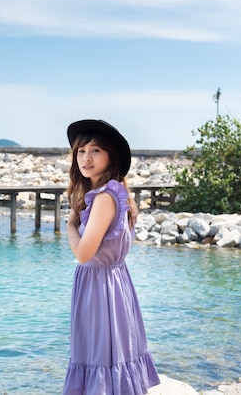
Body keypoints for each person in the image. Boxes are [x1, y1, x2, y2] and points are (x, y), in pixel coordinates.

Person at [63, 119, 160, 395]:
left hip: (100, 287)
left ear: (110, 156)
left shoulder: (105, 198)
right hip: (111, 284)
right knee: (109, 353)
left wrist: (70, 225)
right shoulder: (112, 193)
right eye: (81, 151)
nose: (86, 158)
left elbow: (83, 254)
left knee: (101, 356)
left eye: (95, 151)